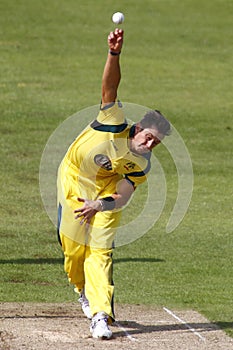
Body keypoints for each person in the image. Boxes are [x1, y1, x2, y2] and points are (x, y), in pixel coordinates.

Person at [57, 28, 171, 339]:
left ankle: (99, 315)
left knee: (100, 251)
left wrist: (99, 205)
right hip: (74, 179)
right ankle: (82, 289)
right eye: (148, 137)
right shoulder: (114, 121)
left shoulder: (141, 165)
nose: (149, 145)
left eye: (156, 143)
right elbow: (110, 85)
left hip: (105, 194)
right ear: (136, 128)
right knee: (74, 254)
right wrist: (114, 53)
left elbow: (122, 196)